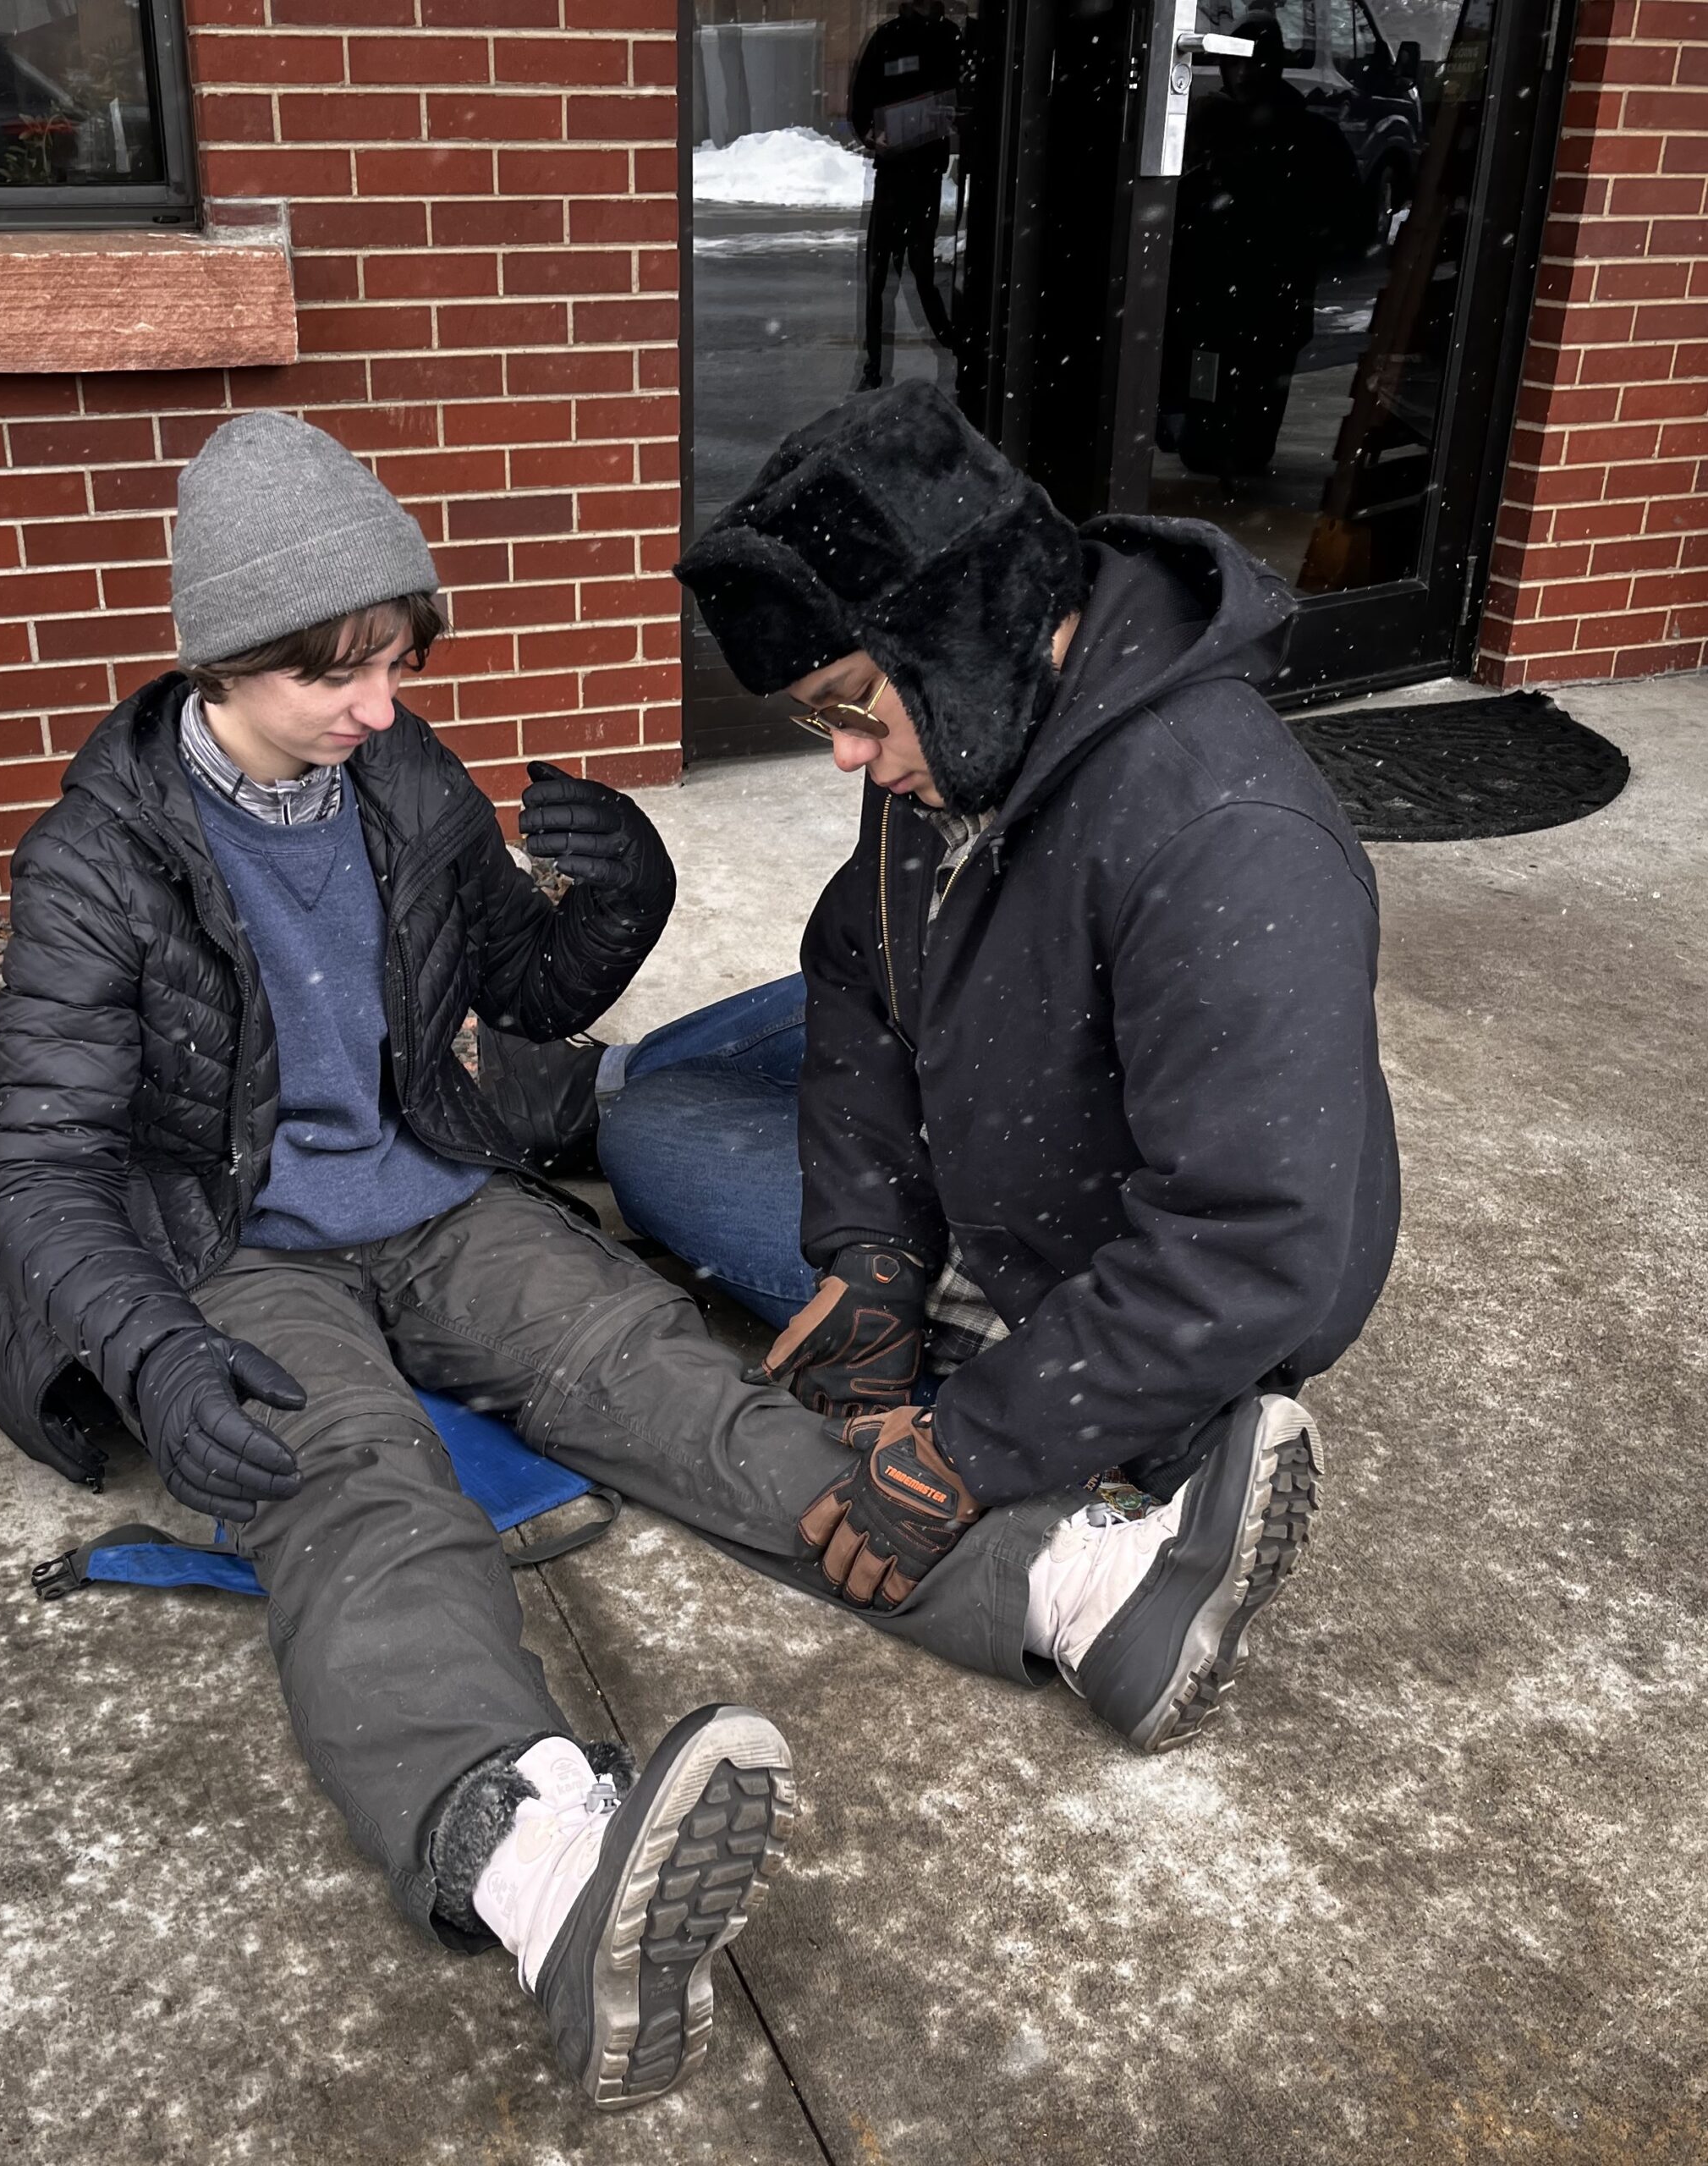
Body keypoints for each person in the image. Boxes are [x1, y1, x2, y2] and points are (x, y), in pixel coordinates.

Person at [0, 411, 824, 2110]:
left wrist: (620, 899)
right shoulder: (98, 859)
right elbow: (48, 1167)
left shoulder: (399, 776)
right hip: (223, 1242)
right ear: (225, 660)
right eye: (336, 676)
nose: (379, 707)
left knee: (641, 1358)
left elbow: (521, 988)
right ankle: (536, 1867)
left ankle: (1054, 1580)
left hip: (428, 1185)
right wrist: (150, 1352)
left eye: (396, 661)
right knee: (359, 1484)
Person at [615, 381, 1400, 1734]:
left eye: (853, 706)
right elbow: (855, 967)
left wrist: (968, 1449)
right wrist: (867, 1250)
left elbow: (1259, 1235)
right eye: (822, 719)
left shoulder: (1226, 834)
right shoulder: (970, 724)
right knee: (647, 1121)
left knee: (651, 1122)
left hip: (1137, 1247)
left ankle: (1158, 1422)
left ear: (956, 625)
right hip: (995, 1106)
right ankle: (1011, 1352)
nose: (850, 760)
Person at [1158, 15, 1366, 478]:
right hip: (1221, 296)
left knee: (1246, 425)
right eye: (1237, 65)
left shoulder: (1304, 136)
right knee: (1211, 420)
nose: (1244, 75)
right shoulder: (1217, 126)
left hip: (1263, 293)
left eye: (1254, 64)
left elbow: (1342, 221)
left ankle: (1229, 451)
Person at [849, 0, 962, 389]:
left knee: (913, 273)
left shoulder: (949, 38)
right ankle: (877, 367)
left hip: (918, 170)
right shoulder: (891, 38)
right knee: (885, 277)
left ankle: (952, 344)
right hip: (900, 169)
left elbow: (963, 98)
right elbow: (861, 104)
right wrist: (874, 136)